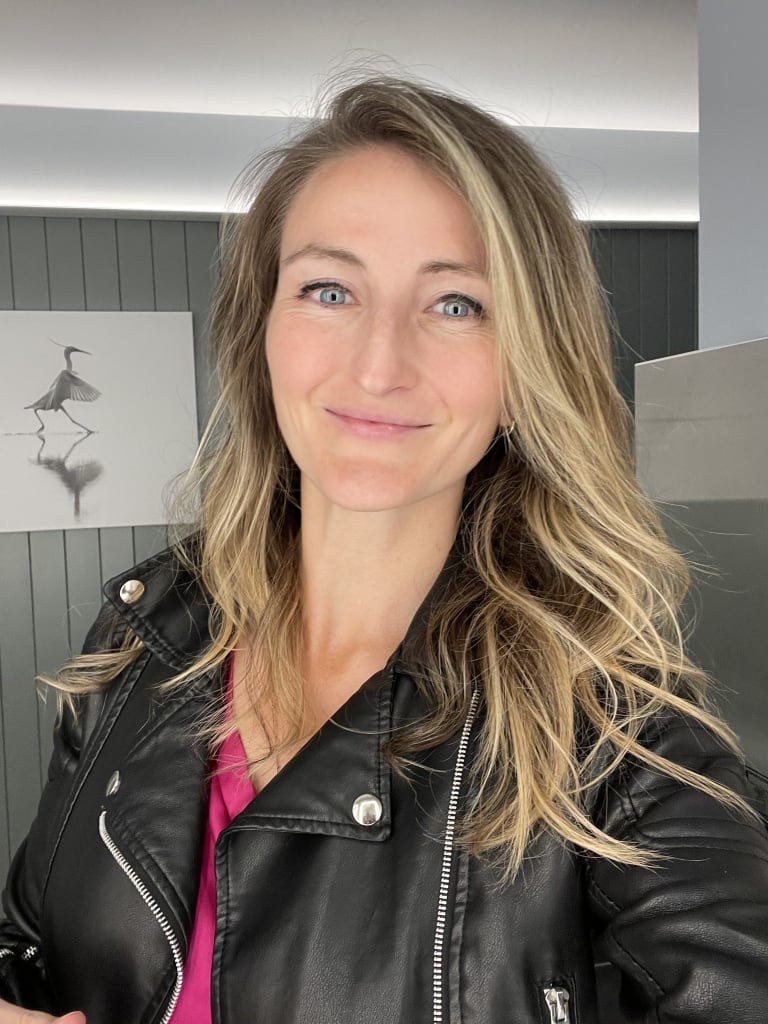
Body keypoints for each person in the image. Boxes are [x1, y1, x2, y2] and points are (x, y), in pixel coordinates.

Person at [1, 75, 767, 1024]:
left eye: (457, 304)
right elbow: (27, 945)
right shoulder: (146, 632)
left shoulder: (607, 724)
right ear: (260, 332)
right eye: (330, 291)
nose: (378, 365)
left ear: (528, 361)